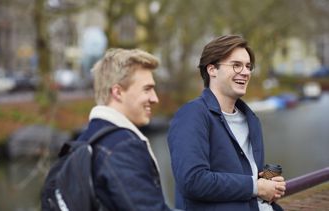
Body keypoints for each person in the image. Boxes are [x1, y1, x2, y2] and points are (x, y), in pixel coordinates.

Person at [167, 35, 286, 211]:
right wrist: (255, 186)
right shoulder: (192, 115)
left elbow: (249, 178)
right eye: (236, 65)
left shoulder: (251, 119)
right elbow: (193, 180)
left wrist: (268, 185)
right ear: (212, 69)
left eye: (248, 66)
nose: (245, 72)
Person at [77, 48, 172, 210]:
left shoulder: (84, 142)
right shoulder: (122, 147)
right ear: (118, 92)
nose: (154, 98)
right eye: (147, 89)